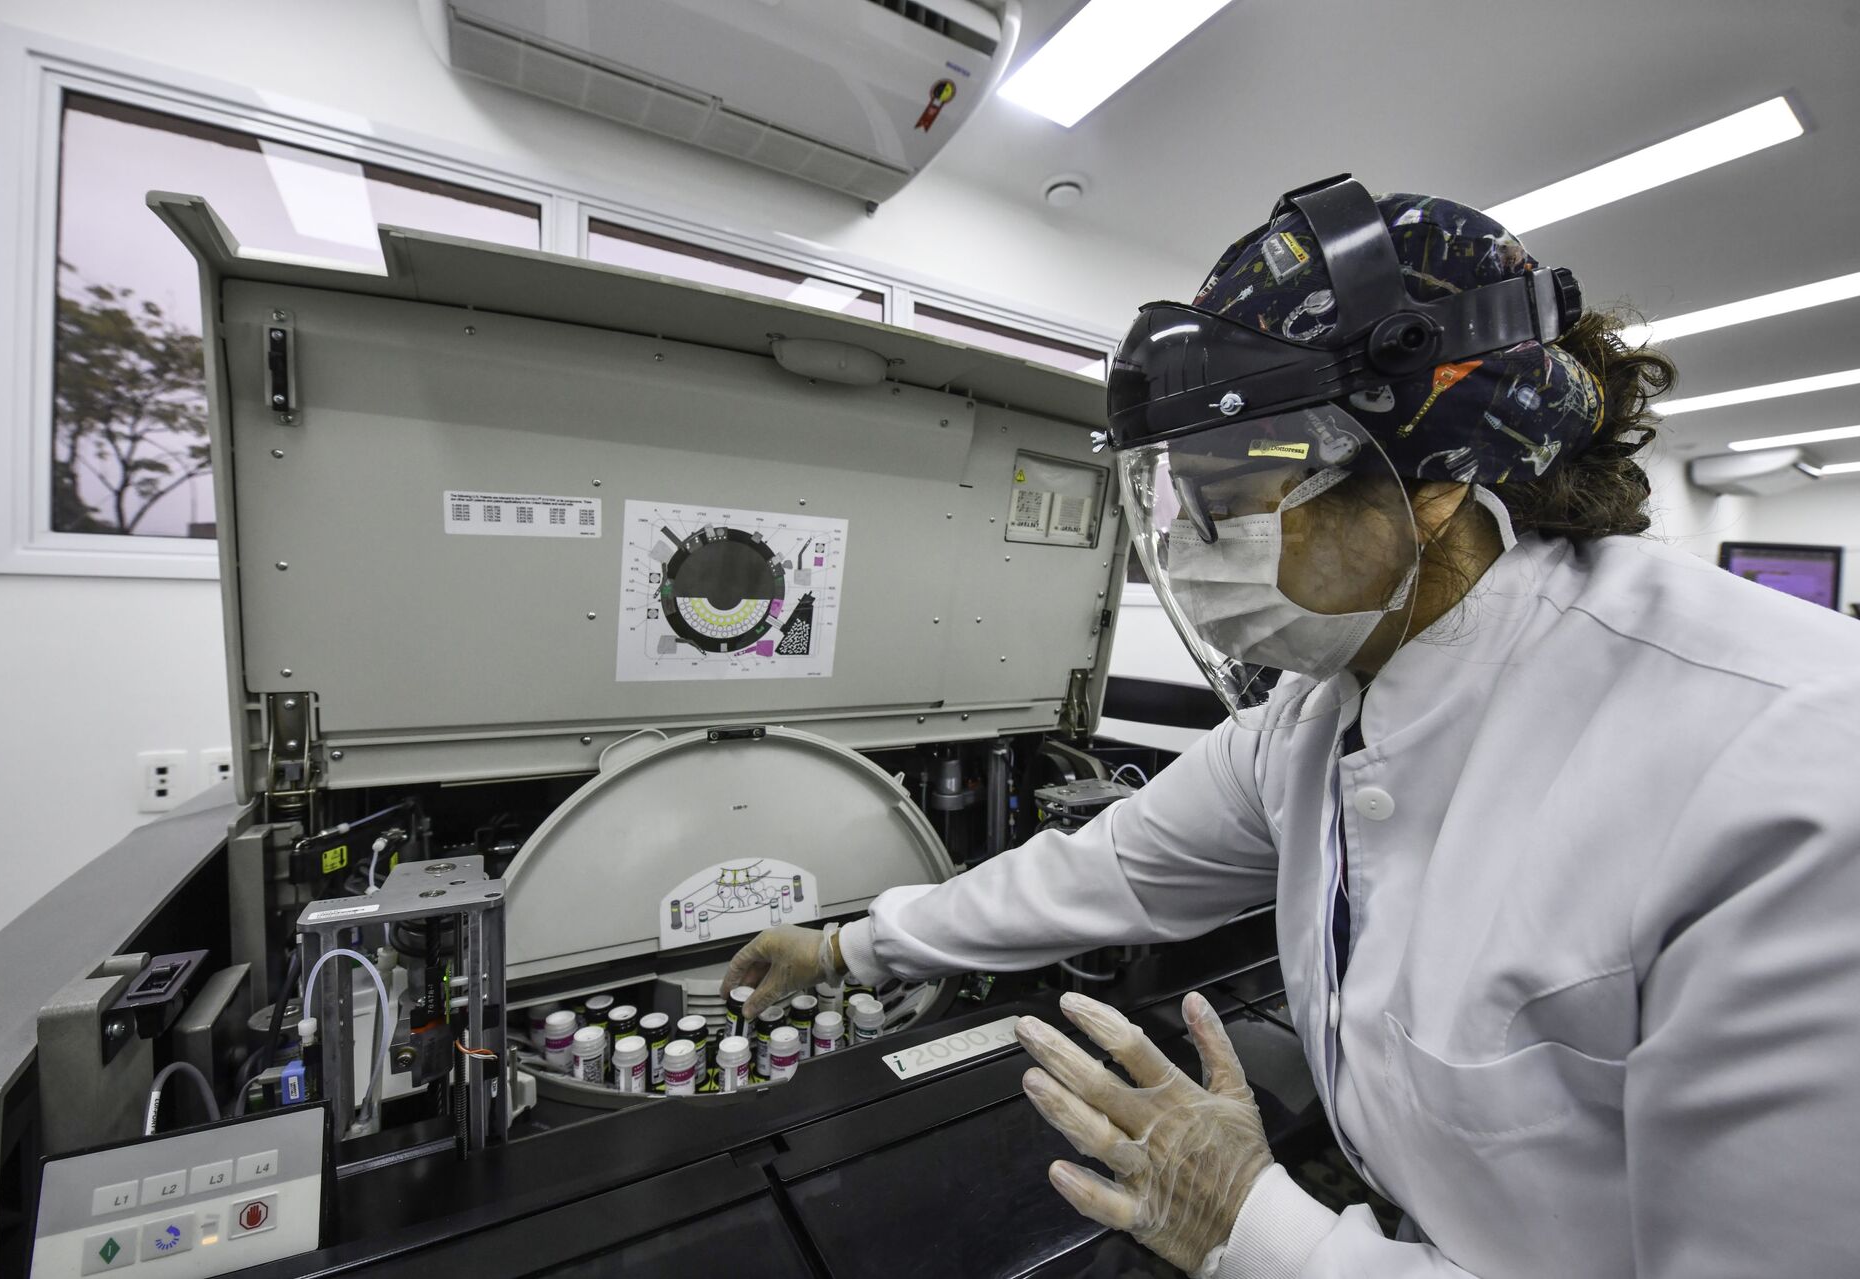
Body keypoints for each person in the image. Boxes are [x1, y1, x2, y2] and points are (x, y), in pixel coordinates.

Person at [722, 177, 1860, 1277]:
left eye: (1246, 477)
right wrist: (849, 946)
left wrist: (1254, 1230)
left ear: (1435, 487)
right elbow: (1107, 869)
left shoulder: (1786, 770)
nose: (1189, 537)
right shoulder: (1330, 697)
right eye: (1185, 488)